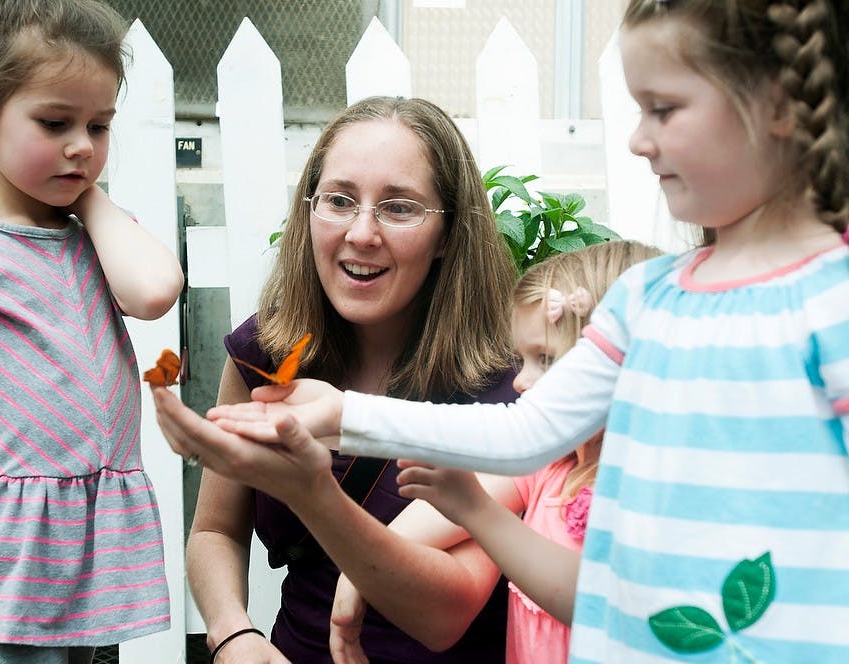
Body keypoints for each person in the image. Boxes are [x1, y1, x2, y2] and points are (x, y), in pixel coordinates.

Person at [208, 1, 849, 661]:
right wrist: (345, 413)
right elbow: (525, 433)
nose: (637, 140)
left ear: (778, 105)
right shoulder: (645, 298)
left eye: (663, 109)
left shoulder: (832, 304)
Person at [157, 95, 519, 663]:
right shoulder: (266, 354)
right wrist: (232, 633)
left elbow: (443, 617)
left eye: (399, 208)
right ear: (309, 211)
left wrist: (314, 492)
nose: (362, 232)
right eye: (339, 201)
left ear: (448, 233)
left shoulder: (505, 388)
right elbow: (214, 533)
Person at [0, 1, 185, 662]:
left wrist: (89, 196)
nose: (82, 145)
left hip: (89, 564)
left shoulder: (97, 238)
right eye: (55, 122)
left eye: (99, 125)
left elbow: (156, 290)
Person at [326, 240, 661, 664]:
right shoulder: (551, 465)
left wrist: (475, 508)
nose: (520, 382)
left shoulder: (652, 487)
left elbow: (602, 603)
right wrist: (355, 580)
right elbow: (422, 526)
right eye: (523, 359)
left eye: (547, 359)